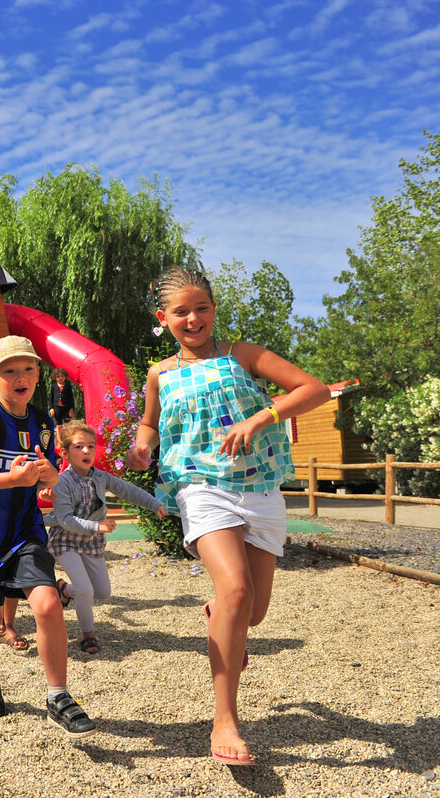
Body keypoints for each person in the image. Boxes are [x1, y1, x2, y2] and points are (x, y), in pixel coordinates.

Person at [128, 266, 328, 766]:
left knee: (250, 614)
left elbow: (315, 390)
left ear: (214, 309)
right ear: (163, 318)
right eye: (181, 311)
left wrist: (262, 416)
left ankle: (220, 618)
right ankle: (225, 719)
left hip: (258, 486)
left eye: (202, 308)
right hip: (200, 486)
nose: (192, 318)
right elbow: (150, 423)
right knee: (236, 589)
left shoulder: (243, 355)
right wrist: (141, 448)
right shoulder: (160, 373)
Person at [0, 335, 94, 735]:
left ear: (38, 375)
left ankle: (58, 696)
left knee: (47, 604)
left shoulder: (44, 422)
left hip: (25, 530)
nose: (21, 377)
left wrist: (48, 477)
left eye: (28, 368)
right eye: (9, 371)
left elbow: (49, 469)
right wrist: (8, 477)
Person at [46, 420, 166, 656]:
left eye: (91, 446)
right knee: (85, 589)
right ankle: (88, 636)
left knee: (102, 592)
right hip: (66, 540)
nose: (87, 451)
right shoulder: (62, 481)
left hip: (90, 541)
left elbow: (127, 490)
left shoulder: (100, 476)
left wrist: (155, 504)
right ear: (65, 453)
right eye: (79, 447)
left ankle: (64, 590)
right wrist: (96, 526)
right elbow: (65, 519)